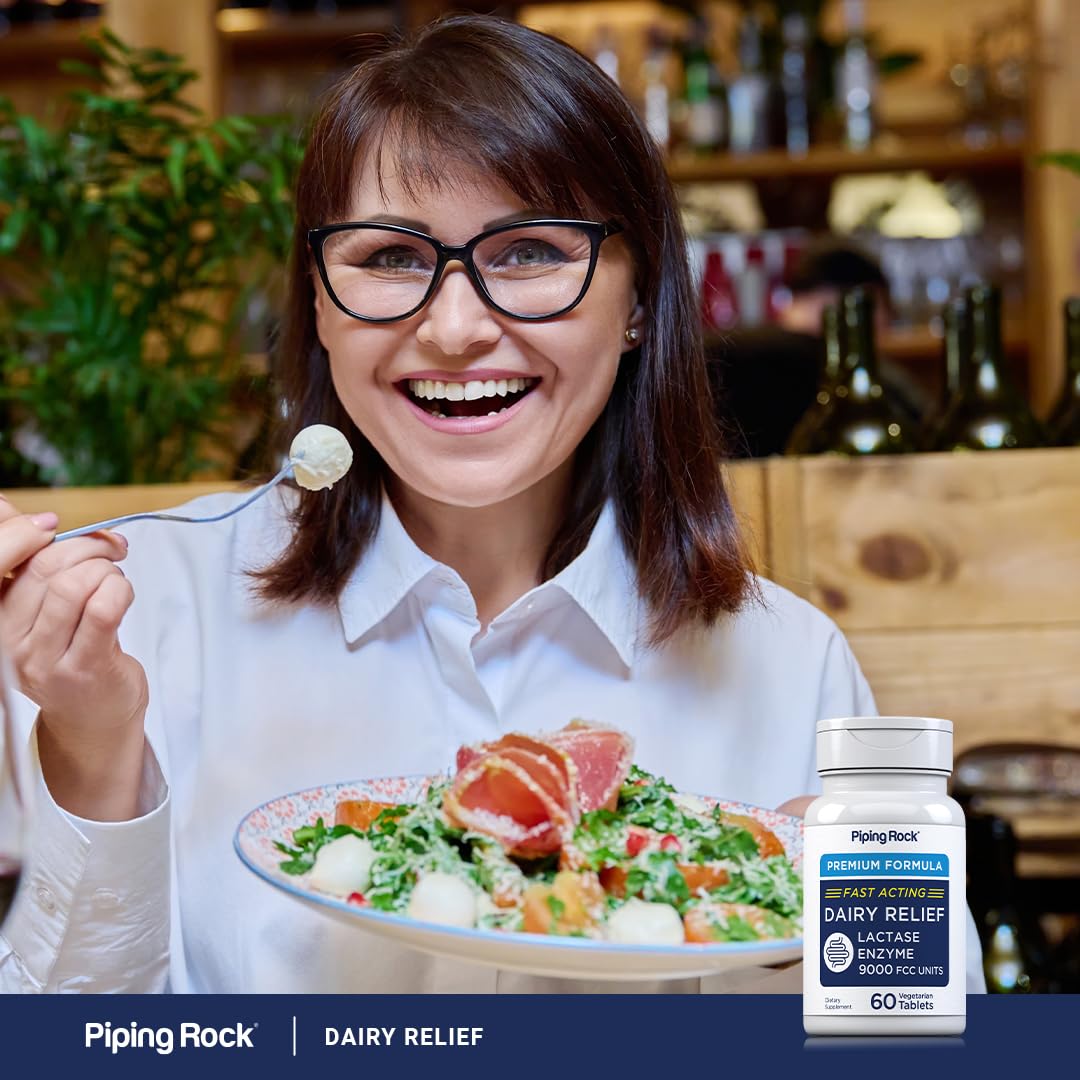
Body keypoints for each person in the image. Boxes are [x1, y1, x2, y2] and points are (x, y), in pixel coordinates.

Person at [0, 15, 984, 994]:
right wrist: (93, 749)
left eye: (528, 254)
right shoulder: (142, 627)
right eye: (388, 258)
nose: (457, 327)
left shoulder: (788, 665)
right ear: (318, 301)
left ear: (639, 298)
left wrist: (810, 946)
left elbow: (922, 1042)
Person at [711, 242, 928, 457]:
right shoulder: (867, 382)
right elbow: (922, 433)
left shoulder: (723, 353)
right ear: (861, 306)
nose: (888, 326)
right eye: (885, 312)